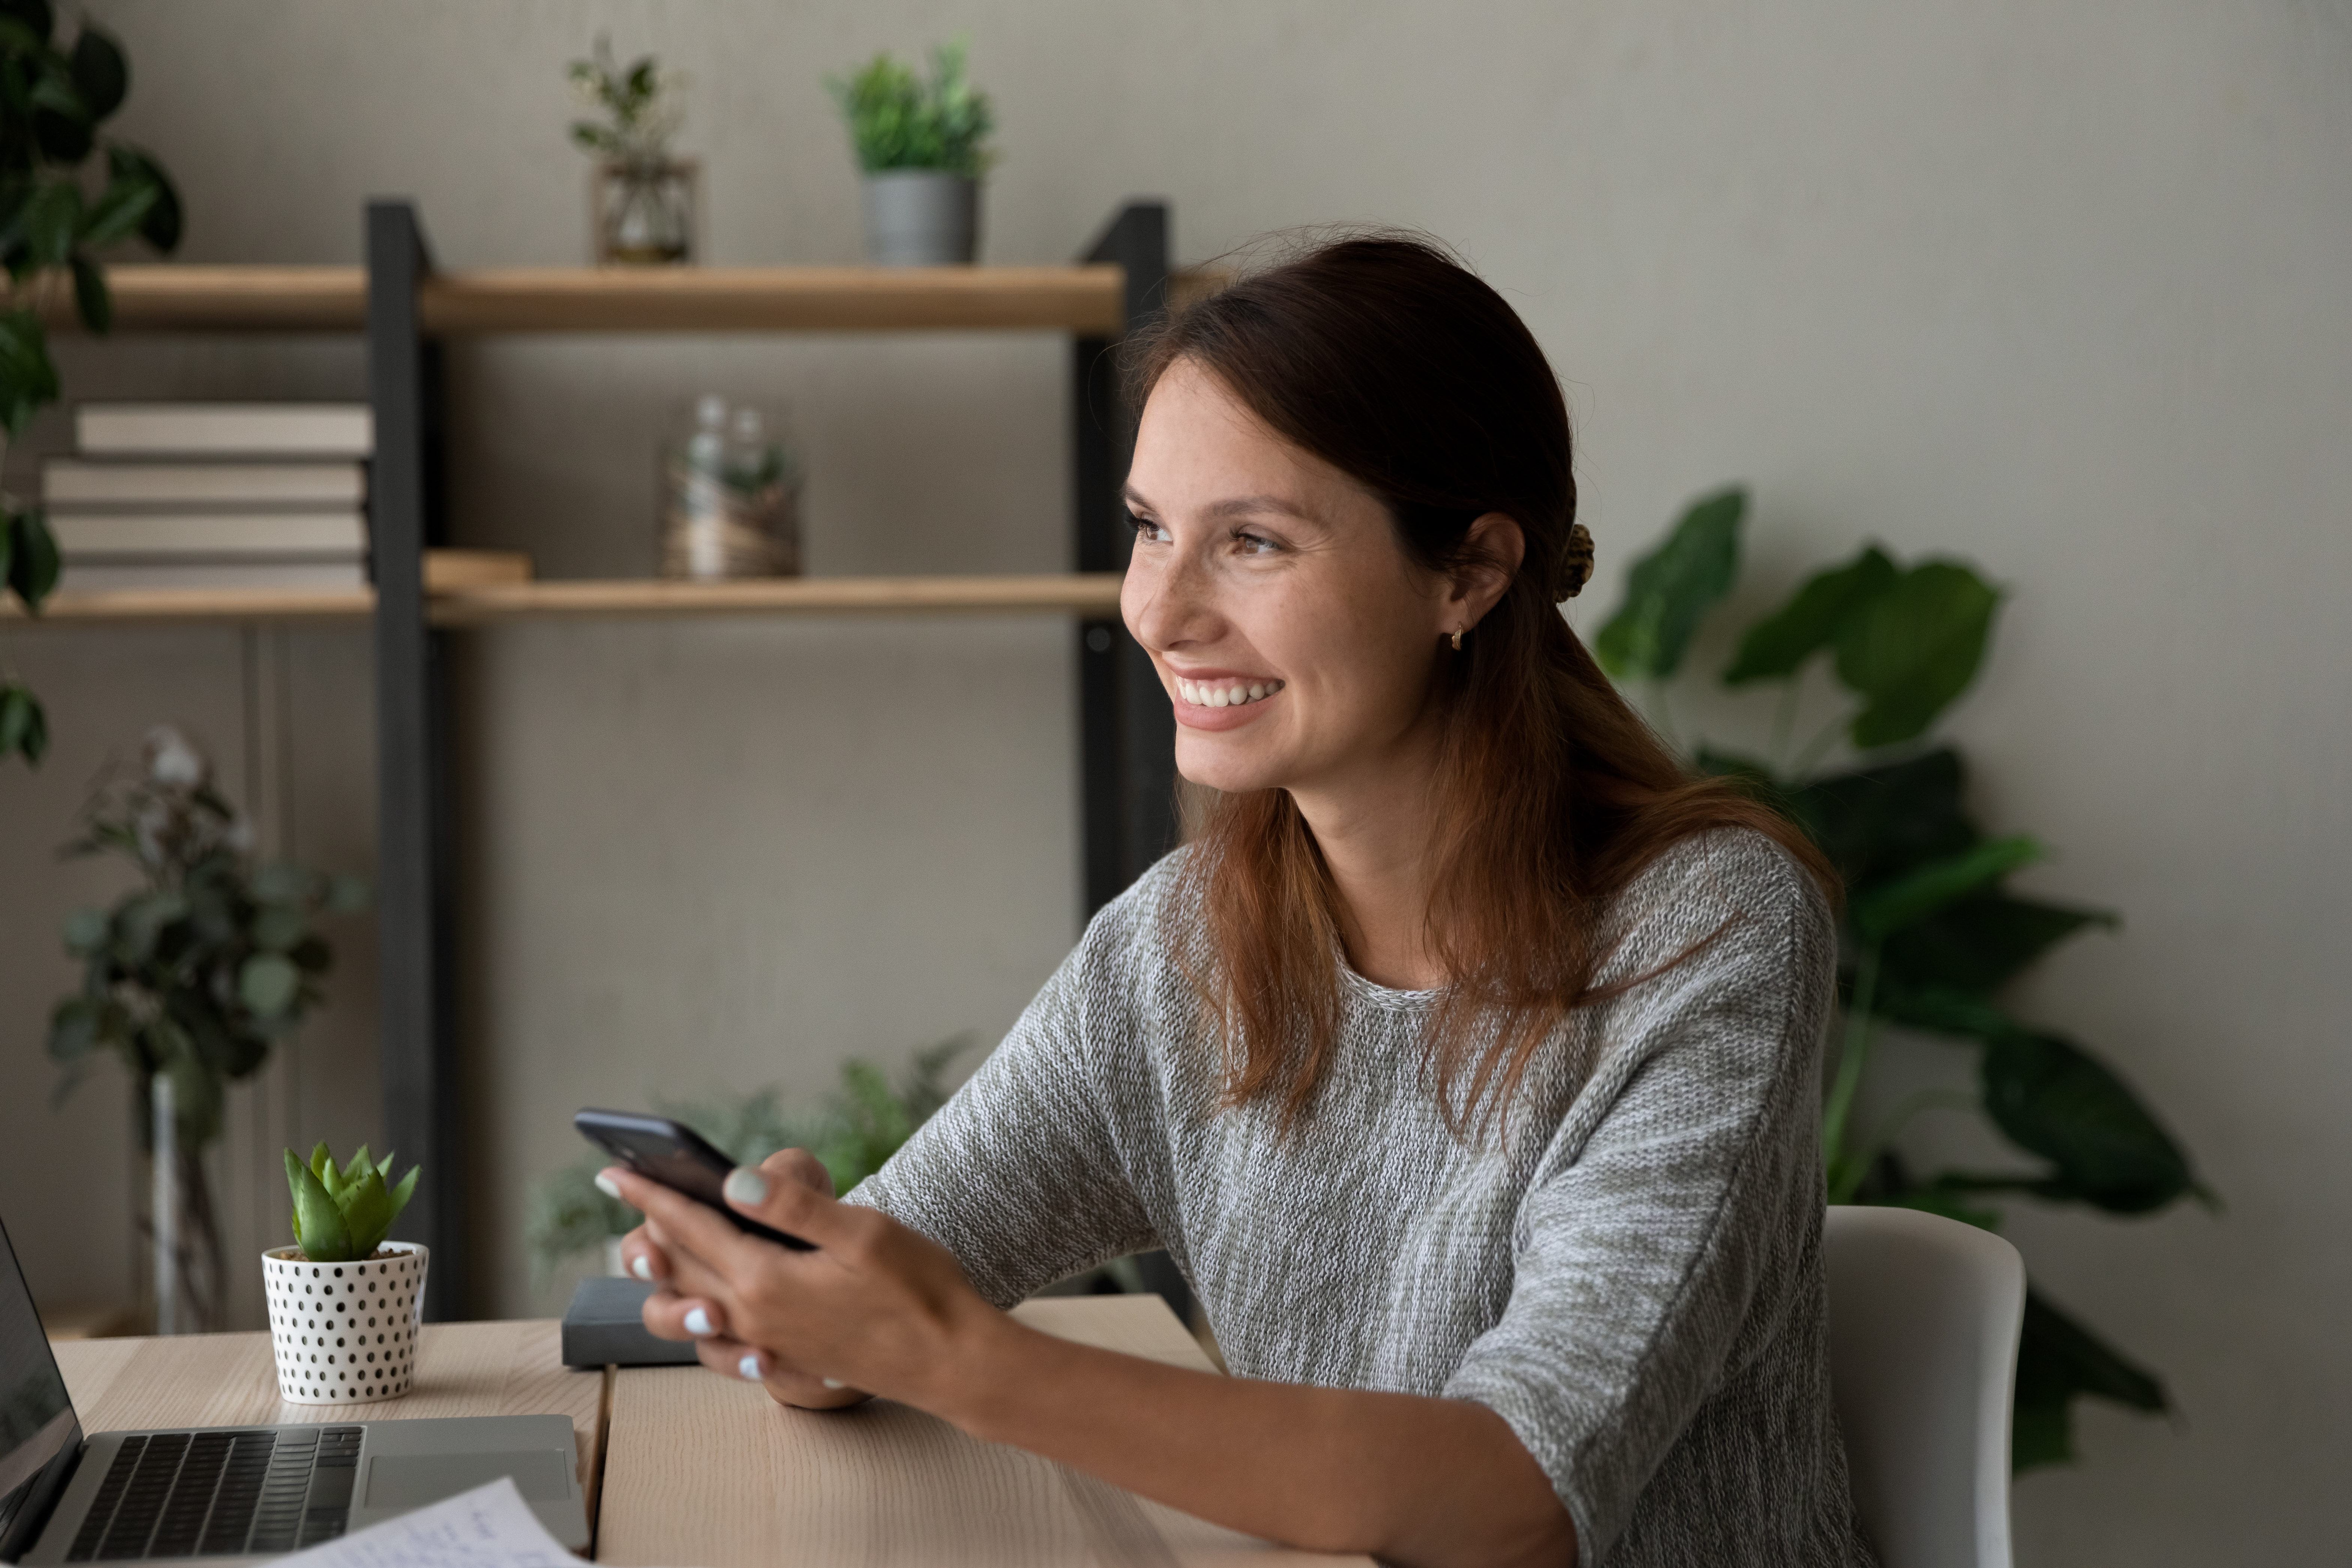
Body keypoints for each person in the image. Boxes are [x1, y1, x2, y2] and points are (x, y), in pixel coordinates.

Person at [600, 235, 1876, 1568]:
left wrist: (955, 1359)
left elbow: (1519, 1496)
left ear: (1471, 574)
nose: (1159, 609)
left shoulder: (1705, 930)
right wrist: (794, 1308)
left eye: (1252, 541)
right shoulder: (1181, 948)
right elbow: (898, 1294)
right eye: (1151, 529)